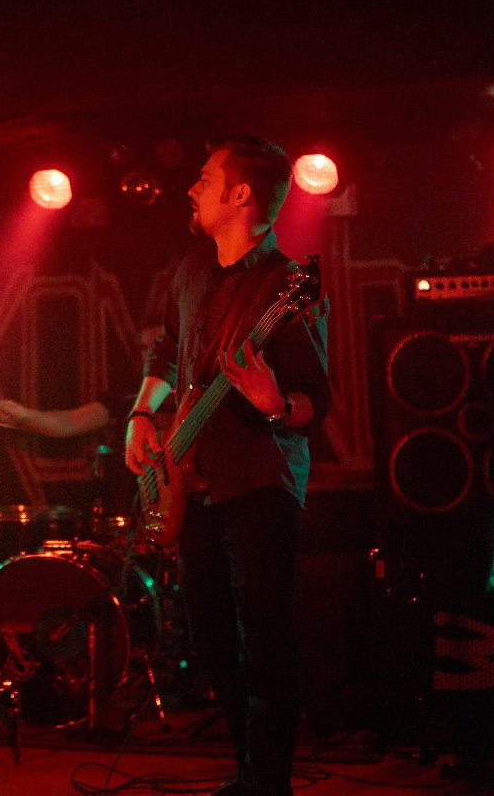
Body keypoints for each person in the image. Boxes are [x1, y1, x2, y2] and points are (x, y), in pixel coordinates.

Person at [124, 135, 330, 796]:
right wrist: (141, 413)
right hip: (194, 479)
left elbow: (316, 401)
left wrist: (276, 404)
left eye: (205, 178)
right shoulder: (189, 273)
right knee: (212, 640)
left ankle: (269, 783)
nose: (191, 188)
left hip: (259, 479)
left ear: (241, 195)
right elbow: (167, 350)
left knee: (265, 639)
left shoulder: (286, 286)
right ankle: (247, 771)